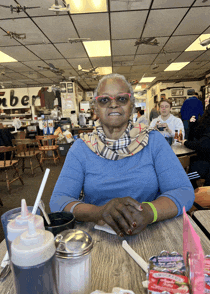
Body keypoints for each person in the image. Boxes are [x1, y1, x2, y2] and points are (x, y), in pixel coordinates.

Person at [50, 74, 194, 237]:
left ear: (132, 106)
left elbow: (183, 191)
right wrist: (98, 212)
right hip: (97, 239)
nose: (113, 104)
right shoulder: (81, 148)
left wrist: (148, 211)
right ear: (95, 108)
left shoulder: (153, 141)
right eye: (104, 100)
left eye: (122, 99)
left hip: (152, 233)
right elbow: (58, 201)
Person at [181, 87, 210, 188]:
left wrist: (186, 143)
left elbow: (204, 144)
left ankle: (194, 200)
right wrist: (193, 125)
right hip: (209, 159)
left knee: (183, 177)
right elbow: (201, 134)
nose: (207, 101)